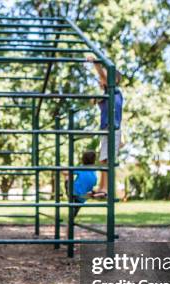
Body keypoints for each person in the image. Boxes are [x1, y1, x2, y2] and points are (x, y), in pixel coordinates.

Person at [86, 55, 124, 198]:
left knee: (108, 160)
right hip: (106, 130)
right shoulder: (106, 94)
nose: (101, 79)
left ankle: (106, 189)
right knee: (103, 160)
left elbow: (102, 74)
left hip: (112, 130)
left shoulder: (115, 91)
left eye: (106, 77)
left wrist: (96, 63)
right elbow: (93, 101)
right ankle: (102, 188)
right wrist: (96, 95)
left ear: (113, 81)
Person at [64, 151, 98, 217]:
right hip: (83, 197)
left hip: (74, 192)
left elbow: (66, 172)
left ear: (83, 160)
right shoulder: (94, 169)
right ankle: (69, 223)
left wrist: (61, 169)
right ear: (94, 160)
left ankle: (72, 205)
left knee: (68, 177)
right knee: (74, 212)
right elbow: (94, 183)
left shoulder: (81, 167)